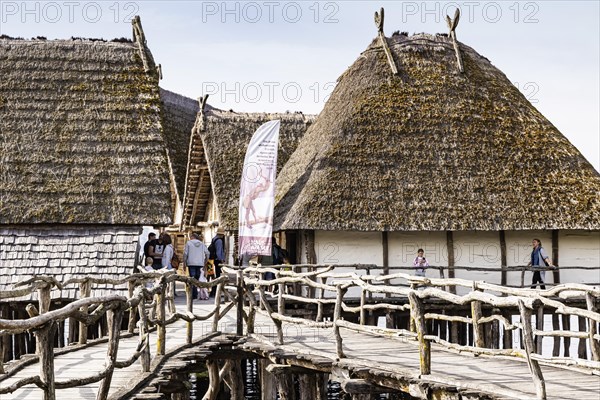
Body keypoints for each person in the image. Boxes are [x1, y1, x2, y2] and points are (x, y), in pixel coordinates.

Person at [183, 232, 210, 300]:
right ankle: (201, 294)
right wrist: (205, 261)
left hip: (191, 263)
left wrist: (184, 262)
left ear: (191, 237)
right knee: (198, 279)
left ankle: (194, 294)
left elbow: (185, 254)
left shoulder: (188, 243)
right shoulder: (202, 243)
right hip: (200, 263)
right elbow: (207, 253)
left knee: (192, 278)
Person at [208, 229, 226, 297]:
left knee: (213, 275)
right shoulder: (219, 241)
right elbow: (219, 252)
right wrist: (221, 260)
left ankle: (213, 291)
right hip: (217, 260)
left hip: (211, 260)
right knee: (218, 276)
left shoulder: (214, 239)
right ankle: (215, 291)